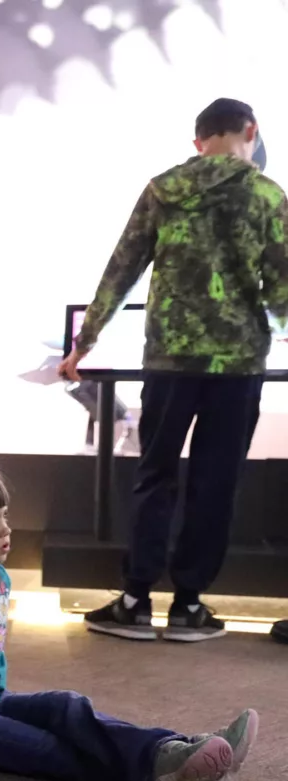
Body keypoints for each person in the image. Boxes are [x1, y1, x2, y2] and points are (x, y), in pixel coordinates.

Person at [0, 458, 257, 781]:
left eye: (4, 515)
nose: (5, 528)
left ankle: (178, 752)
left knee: (68, 705)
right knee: (49, 748)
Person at [59, 98, 288, 642]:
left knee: (156, 474)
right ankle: (188, 606)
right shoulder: (267, 196)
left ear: (197, 141)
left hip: (168, 359)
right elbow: (283, 288)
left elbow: (121, 271)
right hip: (237, 366)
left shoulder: (162, 189)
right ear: (250, 132)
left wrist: (82, 344)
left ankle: (136, 600)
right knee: (215, 481)